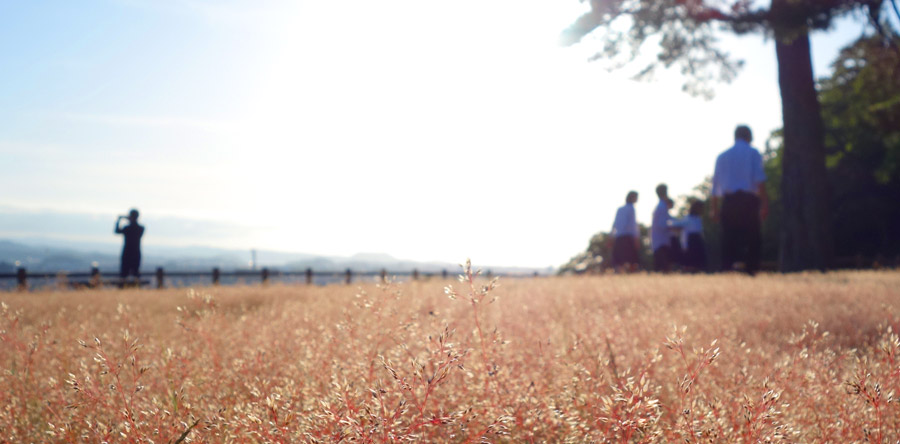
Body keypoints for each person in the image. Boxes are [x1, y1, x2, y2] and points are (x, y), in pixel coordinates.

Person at [711, 125, 768, 275]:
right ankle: (751, 271)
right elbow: (759, 180)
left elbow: (715, 186)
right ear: (749, 137)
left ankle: (727, 270)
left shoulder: (722, 156)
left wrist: (715, 209)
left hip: (729, 202)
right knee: (753, 238)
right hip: (748, 201)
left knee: (728, 239)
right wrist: (765, 204)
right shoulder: (753, 153)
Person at [672, 200, 707, 272]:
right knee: (690, 264)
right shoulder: (688, 218)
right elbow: (677, 227)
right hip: (691, 243)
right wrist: (685, 246)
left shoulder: (698, 218)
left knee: (699, 265)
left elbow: (700, 232)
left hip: (698, 242)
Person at [609, 191, 641, 272]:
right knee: (632, 261)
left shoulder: (620, 209)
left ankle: (619, 277)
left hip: (619, 238)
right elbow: (632, 225)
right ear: (633, 198)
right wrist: (636, 239)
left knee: (618, 262)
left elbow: (614, 224)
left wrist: (610, 236)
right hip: (628, 238)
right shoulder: (631, 209)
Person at [115, 209, 145, 280]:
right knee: (136, 274)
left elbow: (117, 231)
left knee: (124, 274)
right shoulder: (141, 228)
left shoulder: (127, 228)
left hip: (127, 253)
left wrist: (119, 220)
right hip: (136, 253)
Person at [651, 184, 673, 272]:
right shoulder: (662, 206)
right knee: (664, 267)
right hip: (661, 241)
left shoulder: (660, 206)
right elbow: (663, 224)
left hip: (659, 241)